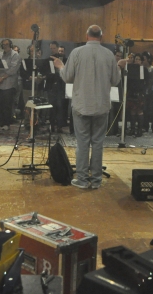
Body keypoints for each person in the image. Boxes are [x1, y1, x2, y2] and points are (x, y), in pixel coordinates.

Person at [52, 25, 126, 189]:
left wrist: (60, 66)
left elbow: (67, 77)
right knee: (98, 143)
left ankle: (83, 180)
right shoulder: (108, 55)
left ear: (87, 36)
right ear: (101, 37)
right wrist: (119, 67)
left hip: (81, 105)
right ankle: (97, 180)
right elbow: (115, 81)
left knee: (83, 143)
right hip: (101, 105)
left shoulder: (77, 53)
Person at [0, 38, 20, 131]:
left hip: (8, 84)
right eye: (3, 44)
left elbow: (13, 69)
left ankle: (6, 123)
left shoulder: (15, 55)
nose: (5, 46)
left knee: (6, 105)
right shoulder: (0, 54)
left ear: (10, 45)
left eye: (6, 44)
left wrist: (2, 77)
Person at [126, 53, 148, 137]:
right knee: (132, 111)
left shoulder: (143, 69)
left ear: (141, 61)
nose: (136, 60)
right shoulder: (130, 68)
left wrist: (144, 91)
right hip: (131, 92)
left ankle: (139, 129)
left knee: (139, 111)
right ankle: (132, 129)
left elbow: (147, 81)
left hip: (140, 93)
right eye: (135, 59)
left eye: (138, 59)